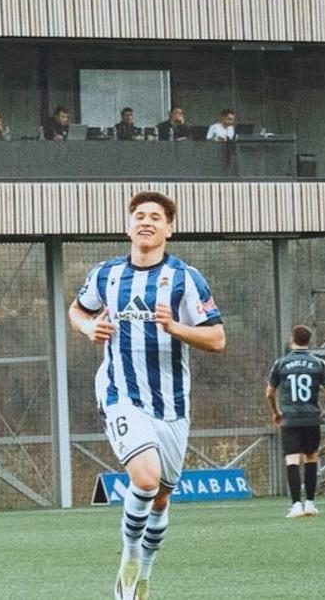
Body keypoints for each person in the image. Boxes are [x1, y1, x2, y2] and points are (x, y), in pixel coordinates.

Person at [68, 190, 225, 600]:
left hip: (171, 404)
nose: (146, 221)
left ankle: (146, 573)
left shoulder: (186, 279)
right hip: (121, 392)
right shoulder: (106, 275)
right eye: (139, 215)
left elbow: (217, 337)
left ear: (169, 229)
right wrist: (88, 329)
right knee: (145, 478)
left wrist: (177, 329)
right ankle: (130, 558)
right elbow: (78, 310)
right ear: (128, 225)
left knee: (162, 496)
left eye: (156, 216)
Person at [265, 324, 325, 518]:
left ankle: (296, 505)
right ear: (309, 341)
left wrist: (276, 411)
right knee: (311, 457)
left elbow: (269, 392)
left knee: (292, 459)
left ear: (292, 339)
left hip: (290, 418)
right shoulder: (318, 363)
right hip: (311, 418)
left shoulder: (281, 363)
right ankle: (310, 503)